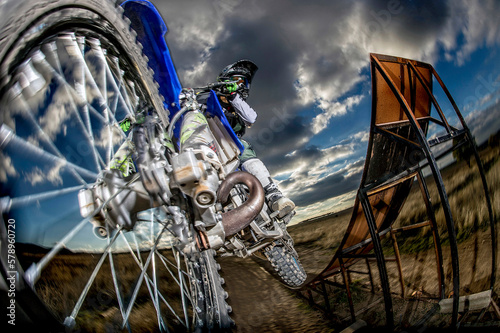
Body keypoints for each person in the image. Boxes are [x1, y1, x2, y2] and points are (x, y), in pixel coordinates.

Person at [215, 60, 295, 219]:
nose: (241, 85)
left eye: (243, 82)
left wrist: (233, 96)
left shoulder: (238, 106)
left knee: (243, 146)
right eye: (238, 81)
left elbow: (251, 118)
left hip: (232, 150)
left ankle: (273, 195)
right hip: (208, 146)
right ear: (225, 79)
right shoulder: (209, 97)